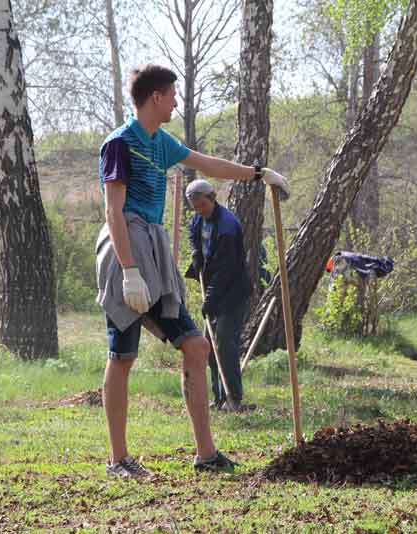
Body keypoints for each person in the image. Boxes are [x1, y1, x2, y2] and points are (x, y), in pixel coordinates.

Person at [95, 64, 289, 479]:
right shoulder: (119, 144)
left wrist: (258, 174)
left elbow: (209, 164)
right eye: (172, 95)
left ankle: (205, 454)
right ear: (156, 98)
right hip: (126, 249)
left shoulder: (160, 142)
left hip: (154, 250)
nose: (177, 103)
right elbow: (113, 211)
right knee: (122, 355)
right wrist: (129, 270)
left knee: (196, 347)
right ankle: (118, 460)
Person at [184, 179, 252, 412]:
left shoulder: (227, 226)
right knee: (208, 345)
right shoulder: (198, 219)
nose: (200, 211)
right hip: (214, 288)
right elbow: (193, 235)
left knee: (223, 341)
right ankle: (219, 398)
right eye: (195, 207)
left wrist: (210, 298)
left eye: (202, 205)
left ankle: (234, 397)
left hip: (233, 292)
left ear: (212, 198)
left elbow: (226, 268)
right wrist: (196, 254)